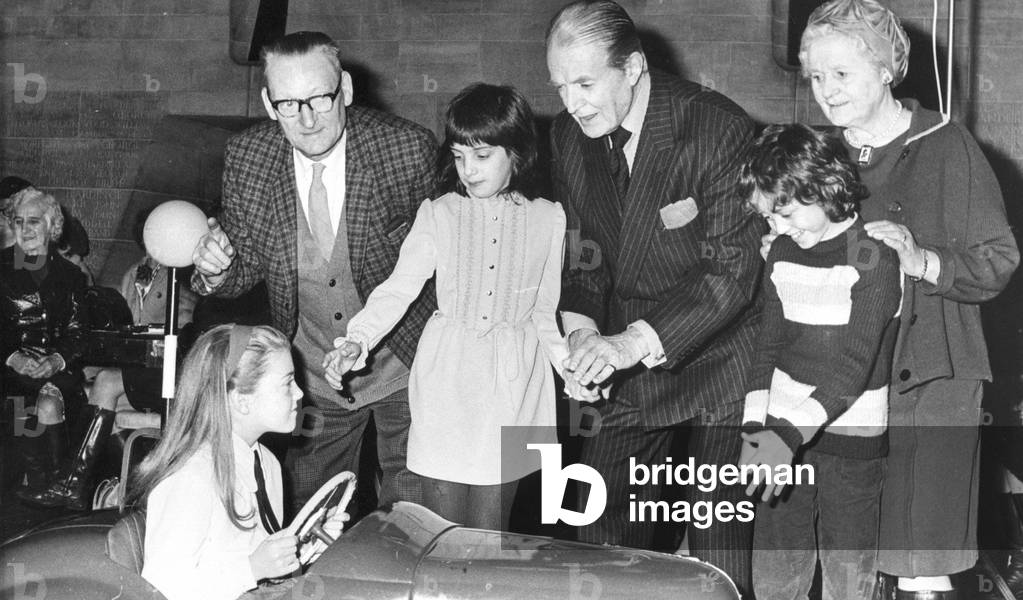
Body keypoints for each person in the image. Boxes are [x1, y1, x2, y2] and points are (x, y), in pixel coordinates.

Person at [793, 1, 1020, 597]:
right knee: (849, 557)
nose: (826, 91)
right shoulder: (817, 156)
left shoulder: (948, 145)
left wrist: (922, 261)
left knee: (924, 556)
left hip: (932, 381)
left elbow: (999, 259)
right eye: (816, 76)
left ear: (887, 67)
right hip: (844, 378)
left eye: (841, 74)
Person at [545, 1, 762, 592]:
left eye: (586, 83)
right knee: (594, 524)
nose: (572, 103)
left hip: (723, 358)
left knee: (717, 546)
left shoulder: (717, 128)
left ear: (634, 67)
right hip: (630, 360)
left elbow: (730, 275)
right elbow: (584, 259)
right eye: (561, 86)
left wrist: (624, 344)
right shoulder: (568, 137)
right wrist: (585, 338)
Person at [191, 31, 437, 516]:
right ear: (267, 103)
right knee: (310, 521)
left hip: (405, 370)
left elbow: (446, 267)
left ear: (344, 89)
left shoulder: (406, 150)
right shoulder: (249, 158)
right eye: (288, 104)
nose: (306, 120)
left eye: (321, 99)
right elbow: (243, 270)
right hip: (311, 378)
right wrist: (217, 268)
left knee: (413, 524)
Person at [324, 83, 570, 530]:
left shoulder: (549, 218)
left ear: (515, 152)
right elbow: (397, 289)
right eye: (458, 156)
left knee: (491, 532)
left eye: (481, 156)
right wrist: (356, 342)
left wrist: (572, 369)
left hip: (516, 388)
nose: (468, 170)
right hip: (448, 382)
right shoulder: (439, 213)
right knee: (443, 532)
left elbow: (544, 310)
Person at [737, 123, 902, 600]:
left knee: (848, 576)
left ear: (823, 188)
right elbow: (766, 346)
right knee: (775, 570)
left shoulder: (873, 259)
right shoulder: (783, 252)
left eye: (785, 213)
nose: (776, 229)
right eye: (768, 217)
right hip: (780, 435)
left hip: (850, 436)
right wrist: (755, 429)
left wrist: (785, 435)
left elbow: (854, 369)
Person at [130, 324, 346, 600]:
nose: (300, 394)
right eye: (287, 382)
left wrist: (311, 545)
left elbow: (263, 561)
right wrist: (252, 569)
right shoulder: (192, 475)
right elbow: (160, 589)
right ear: (242, 400)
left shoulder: (266, 462)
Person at [20, 250, 198, 510]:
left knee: (105, 382)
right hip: (145, 364)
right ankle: (91, 484)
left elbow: (184, 326)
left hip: (180, 369)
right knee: (85, 390)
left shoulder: (184, 275)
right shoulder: (134, 272)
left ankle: (73, 485)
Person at [1, 188, 88, 502]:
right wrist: (12, 358)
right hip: (8, 369)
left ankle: (52, 492)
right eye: (19, 221)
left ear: (52, 227)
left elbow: (79, 333)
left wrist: (56, 359)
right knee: (20, 403)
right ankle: (25, 492)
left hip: (57, 369)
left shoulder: (73, 276)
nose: (25, 230)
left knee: (48, 403)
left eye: (34, 221)